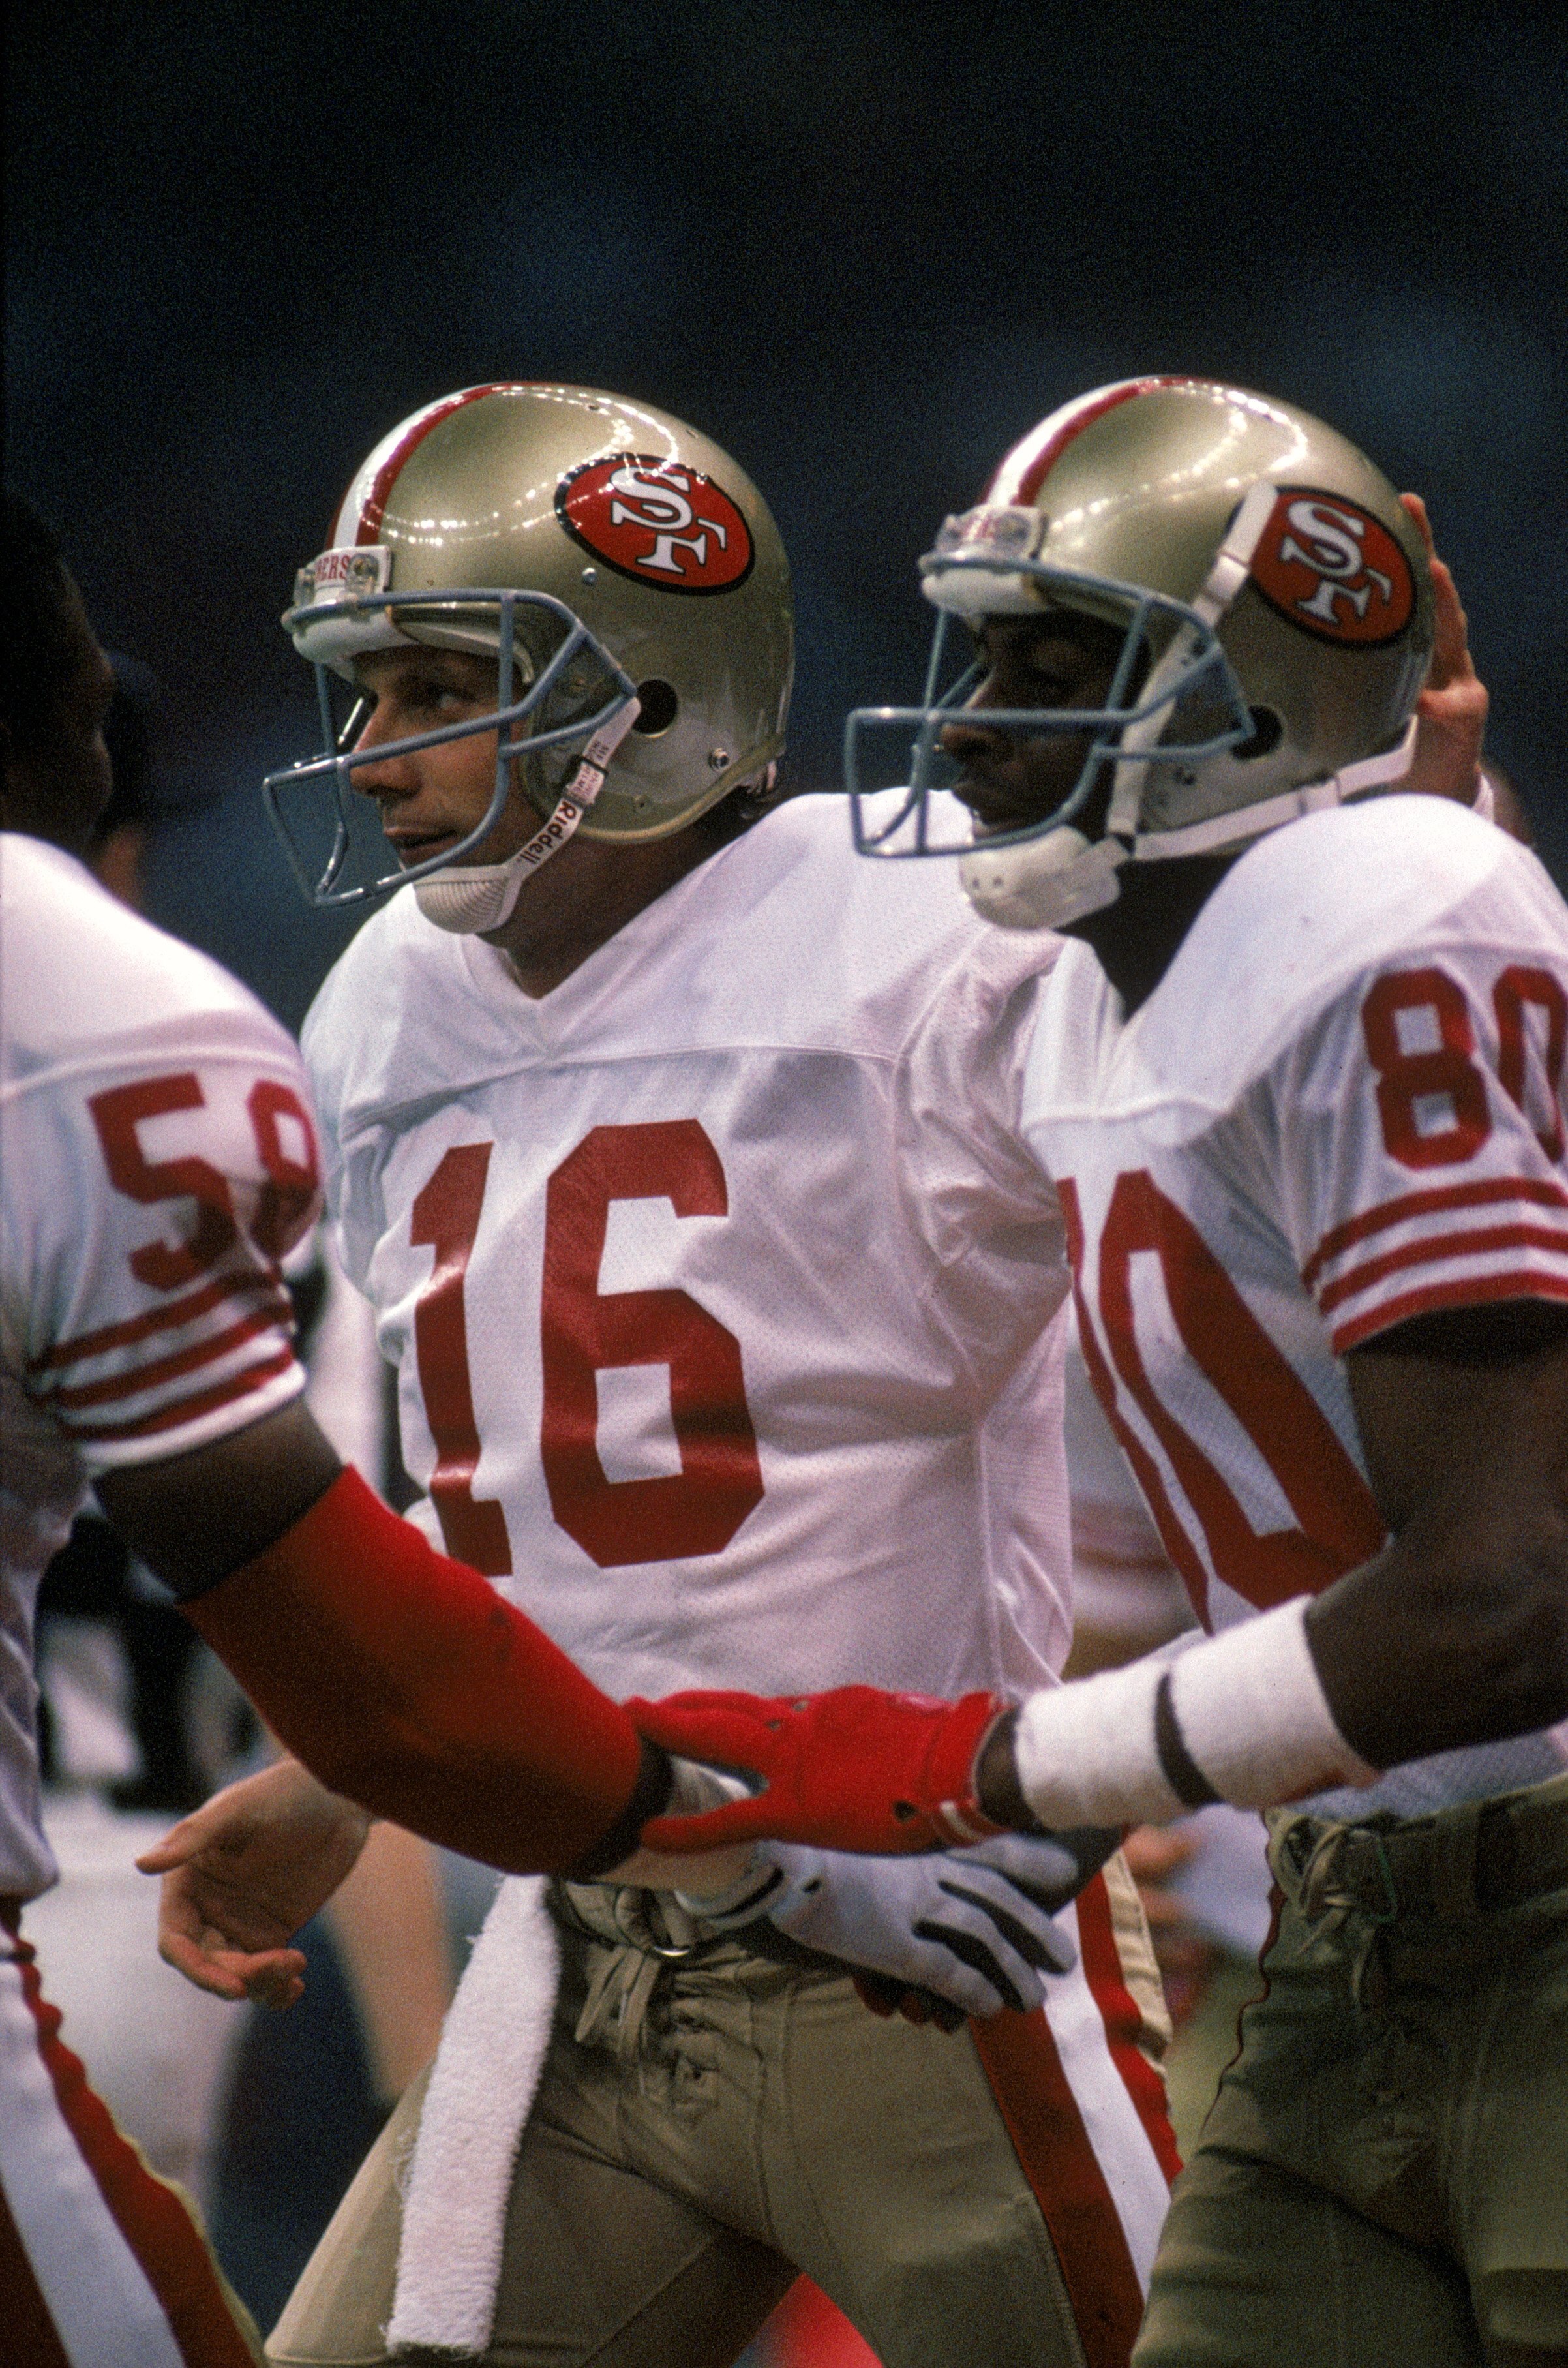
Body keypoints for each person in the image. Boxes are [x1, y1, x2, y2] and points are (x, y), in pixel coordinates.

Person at [173, 383, 1179, 2368]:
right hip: (590, 1935)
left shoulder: (929, 931)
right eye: (356, 691)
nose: (368, 754)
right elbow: (540, 1502)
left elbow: (1219, 1321)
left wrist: (1163, 1751)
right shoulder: (384, 996)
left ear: (648, 689)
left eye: (433, 684)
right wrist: (353, 1776)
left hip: (921, 1925)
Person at [635, 378, 1568, 2367]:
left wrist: (1001, 1765)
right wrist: (1013, 1830)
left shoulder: (1383, 919)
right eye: (973, 651)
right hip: (1338, 1923)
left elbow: (1501, 1598)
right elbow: (1205, 1512)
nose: (969, 722)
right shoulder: (1078, 998)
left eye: (1057, 663)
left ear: (1264, 699)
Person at [0, 491, 768, 2366]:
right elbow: (336, 1633)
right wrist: (731, 1781)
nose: (367, 759)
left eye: (432, 691)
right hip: (188, 1868)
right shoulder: (109, 1024)